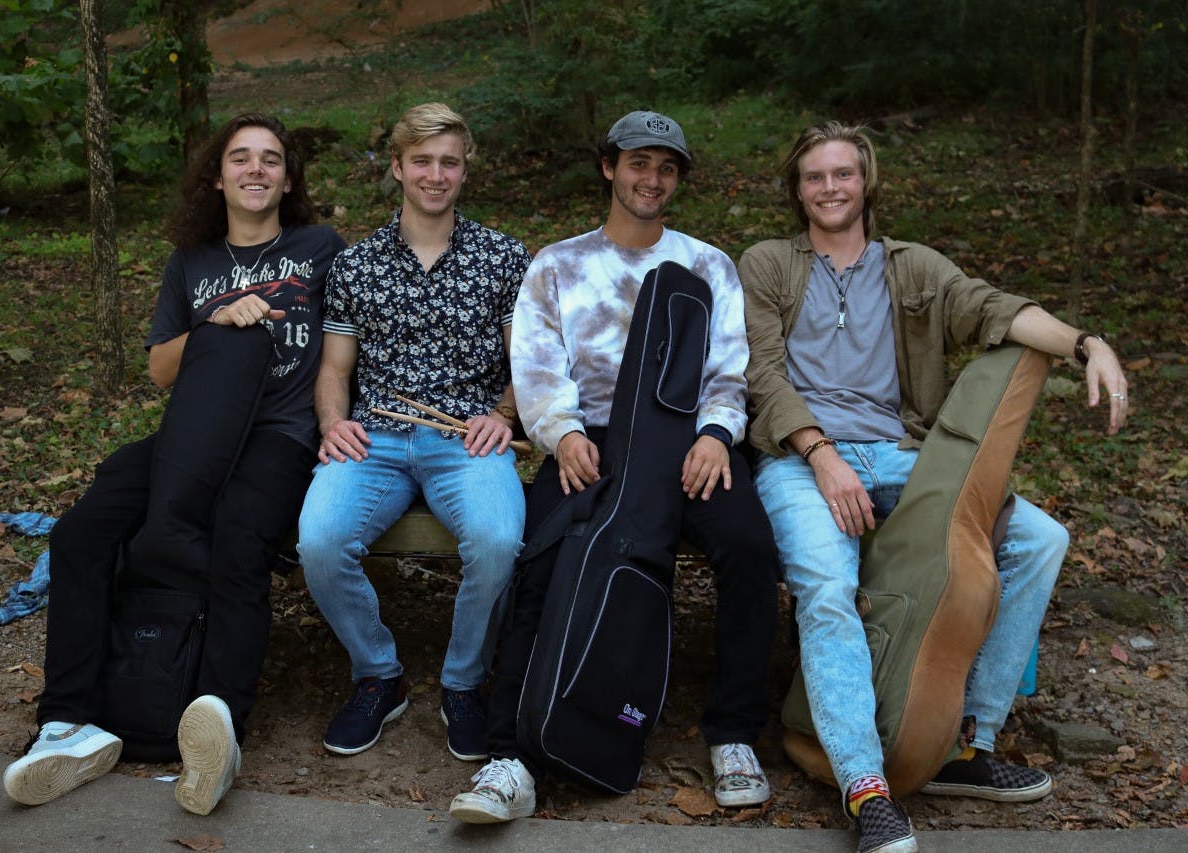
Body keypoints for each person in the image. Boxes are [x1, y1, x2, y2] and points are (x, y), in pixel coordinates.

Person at [739, 121, 1129, 853]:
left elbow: (997, 309)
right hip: (801, 458)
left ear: (867, 182)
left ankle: (965, 742)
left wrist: (1088, 344)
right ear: (797, 189)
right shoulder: (766, 264)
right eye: (815, 177)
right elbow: (760, 374)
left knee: (1040, 539)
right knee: (826, 584)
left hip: (898, 454)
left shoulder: (912, 267)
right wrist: (820, 454)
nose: (830, 188)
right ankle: (866, 786)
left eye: (843, 175)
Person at [1, 113, 346, 815]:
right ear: (215, 177)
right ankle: (66, 722)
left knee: (240, 533)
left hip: (279, 436)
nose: (256, 169)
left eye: (271, 159)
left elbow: (346, 341)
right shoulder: (191, 261)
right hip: (191, 432)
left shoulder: (320, 248)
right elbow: (161, 369)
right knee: (80, 532)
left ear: (288, 179)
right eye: (240, 158)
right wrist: (214, 323)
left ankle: (218, 725)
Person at [449, 110, 779, 824]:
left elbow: (729, 371)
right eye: (638, 163)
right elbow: (535, 366)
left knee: (750, 546)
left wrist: (719, 435)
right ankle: (509, 754)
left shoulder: (707, 265)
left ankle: (733, 733)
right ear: (609, 167)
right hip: (590, 441)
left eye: (666, 168)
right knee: (538, 554)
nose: (651, 179)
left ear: (678, 180)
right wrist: (561, 433)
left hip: (684, 442)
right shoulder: (558, 265)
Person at [296, 103, 530, 764]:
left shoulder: (504, 257)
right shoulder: (357, 264)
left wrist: (505, 415)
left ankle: (462, 681)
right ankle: (379, 672)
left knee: (496, 538)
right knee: (320, 539)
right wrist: (333, 423)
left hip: (467, 437)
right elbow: (335, 366)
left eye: (449, 161)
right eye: (422, 161)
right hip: (377, 438)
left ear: (464, 168)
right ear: (397, 167)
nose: (436, 174)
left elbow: (527, 364)